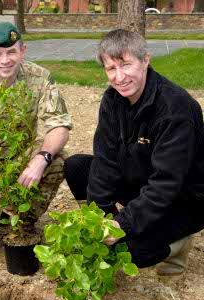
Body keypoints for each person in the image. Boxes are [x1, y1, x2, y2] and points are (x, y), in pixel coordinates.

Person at [64, 29, 204, 274]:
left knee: (129, 253)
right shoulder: (113, 99)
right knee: (77, 167)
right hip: (142, 182)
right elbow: (104, 162)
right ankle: (117, 233)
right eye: (111, 69)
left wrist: (122, 224)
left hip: (181, 199)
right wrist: (102, 221)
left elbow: (165, 184)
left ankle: (177, 244)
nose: (119, 77)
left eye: (126, 65)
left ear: (145, 60)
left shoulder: (175, 109)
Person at [0, 22, 72, 253]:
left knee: (56, 161)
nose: (4, 60)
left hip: (21, 165)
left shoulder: (40, 78)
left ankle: (23, 219)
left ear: (23, 51)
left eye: (11, 52)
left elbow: (59, 125)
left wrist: (40, 159)